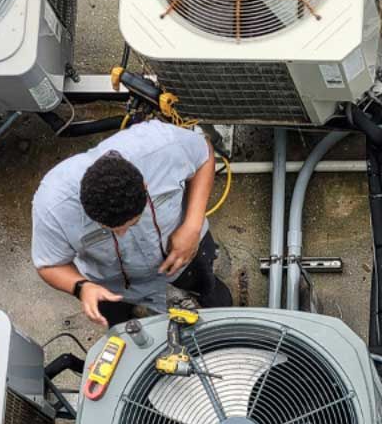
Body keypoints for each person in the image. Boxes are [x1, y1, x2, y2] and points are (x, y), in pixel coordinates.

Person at [31, 120, 233, 327]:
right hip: (113, 284)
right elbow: (48, 264)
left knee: (208, 289)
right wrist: (81, 287)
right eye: (109, 231)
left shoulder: (161, 145)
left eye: (132, 223)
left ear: (145, 188)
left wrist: (192, 225)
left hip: (184, 255)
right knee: (119, 326)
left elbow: (204, 154)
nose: (122, 234)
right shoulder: (52, 207)